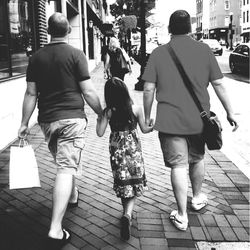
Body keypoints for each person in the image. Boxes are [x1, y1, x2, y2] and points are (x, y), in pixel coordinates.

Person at [142, 10, 238, 231]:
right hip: (198, 119)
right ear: (190, 29)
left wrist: (147, 117)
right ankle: (196, 198)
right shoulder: (204, 50)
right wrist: (230, 112)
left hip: (169, 120)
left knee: (178, 165)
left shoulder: (159, 53)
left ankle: (182, 215)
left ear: (169, 29)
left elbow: (148, 88)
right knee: (197, 159)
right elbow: (219, 84)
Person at [18, 12, 103, 248]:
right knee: (66, 168)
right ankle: (55, 228)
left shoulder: (36, 58)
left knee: (64, 161)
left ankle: (73, 195)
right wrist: (101, 111)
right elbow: (87, 91)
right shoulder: (76, 55)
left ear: (48, 31)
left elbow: (31, 93)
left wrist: (24, 123)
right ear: (67, 31)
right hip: (72, 118)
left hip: (48, 121)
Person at [96, 77, 153, 240]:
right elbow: (145, 129)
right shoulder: (136, 109)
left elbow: (99, 133)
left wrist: (99, 119)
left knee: (123, 182)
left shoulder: (108, 112)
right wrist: (153, 125)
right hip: (134, 152)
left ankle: (125, 213)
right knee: (133, 182)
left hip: (117, 153)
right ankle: (127, 215)